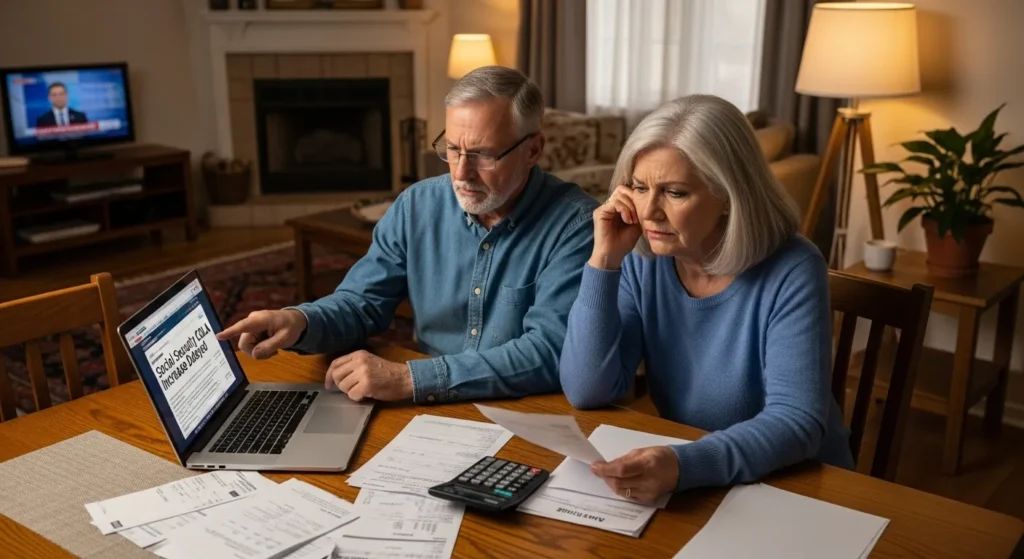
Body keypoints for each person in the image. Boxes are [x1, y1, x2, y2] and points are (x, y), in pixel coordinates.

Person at [218, 66, 599, 405]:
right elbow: (362, 302)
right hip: (427, 405)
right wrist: (299, 321)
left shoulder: (575, 225)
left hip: (527, 409)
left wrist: (408, 378)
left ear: (533, 149)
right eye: (451, 148)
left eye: (483, 155)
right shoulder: (417, 205)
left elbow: (549, 351)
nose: (461, 173)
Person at [559, 94, 854, 505]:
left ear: (730, 196)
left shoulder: (793, 266)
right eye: (640, 188)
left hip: (798, 484)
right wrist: (603, 261)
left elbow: (797, 421)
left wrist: (685, 465)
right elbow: (588, 390)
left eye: (675, 193)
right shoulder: (643, 258)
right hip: (700, 478)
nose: (649, 212)